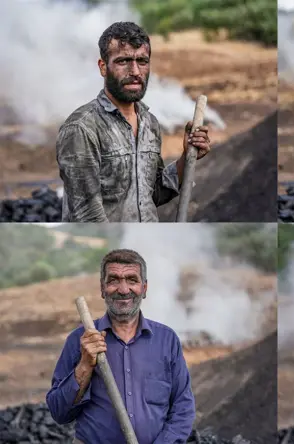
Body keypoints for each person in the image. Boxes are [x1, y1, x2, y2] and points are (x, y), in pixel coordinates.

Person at [57, 21, 212, 222]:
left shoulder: (150, 124)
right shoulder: (82, 128)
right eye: (123, 61)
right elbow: (87, 216)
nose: (135, 72)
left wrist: (186, 157)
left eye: (142, 61)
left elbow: (152, 194)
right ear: (103, 67)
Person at [47, 249, 196, 443]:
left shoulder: (166, 340)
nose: (123, 289)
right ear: (102, 288)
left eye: (132, 280)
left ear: (144, 288)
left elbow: (182, 408)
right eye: (114, 280)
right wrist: (84, 365)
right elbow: (59, 412)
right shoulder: (80, 340)